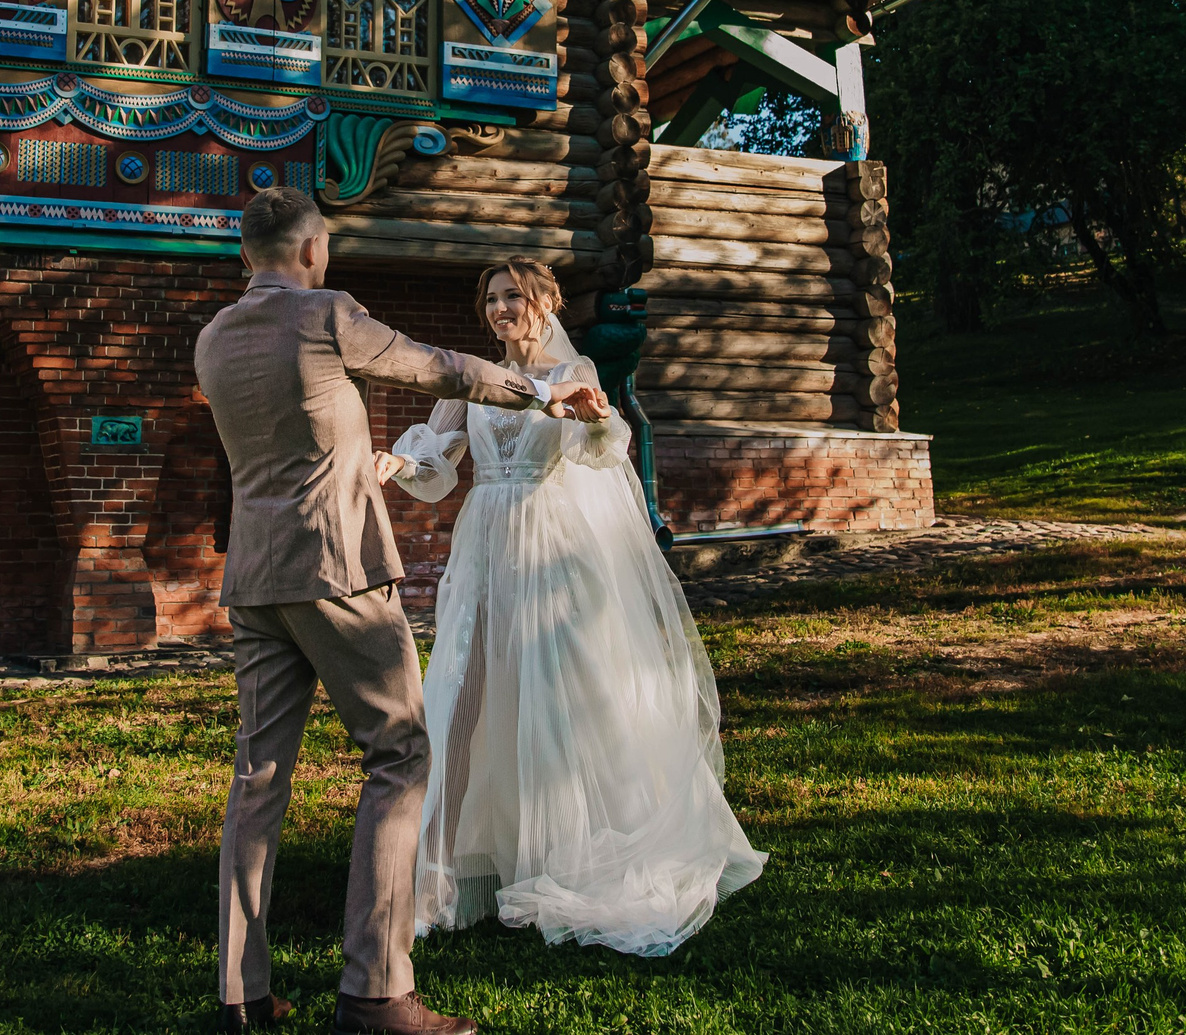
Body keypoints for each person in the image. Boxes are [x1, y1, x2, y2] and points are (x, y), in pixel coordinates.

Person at [197, 189, 611, 1035]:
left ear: (246, 254)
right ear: (311, 249)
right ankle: (377, 991)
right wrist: (539, 393)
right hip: (339, 572)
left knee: (257, 777)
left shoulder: (214, 337)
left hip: (254, 580)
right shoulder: (327, 313)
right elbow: (438, 368)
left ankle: (241, 994)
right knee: (400, 754)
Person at [387, 257, 766, 956]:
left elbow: (601, 451)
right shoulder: (475, 377)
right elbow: (438, 463)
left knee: (563, 696)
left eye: (514, 296)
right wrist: (402, 463)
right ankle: (433, 879)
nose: (501, 309)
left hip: (550, 545)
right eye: (492, 298)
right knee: (462, 695)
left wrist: (593, 422)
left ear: (545, 302)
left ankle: (571, 857)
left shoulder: (574, 371)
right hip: (485, 544)